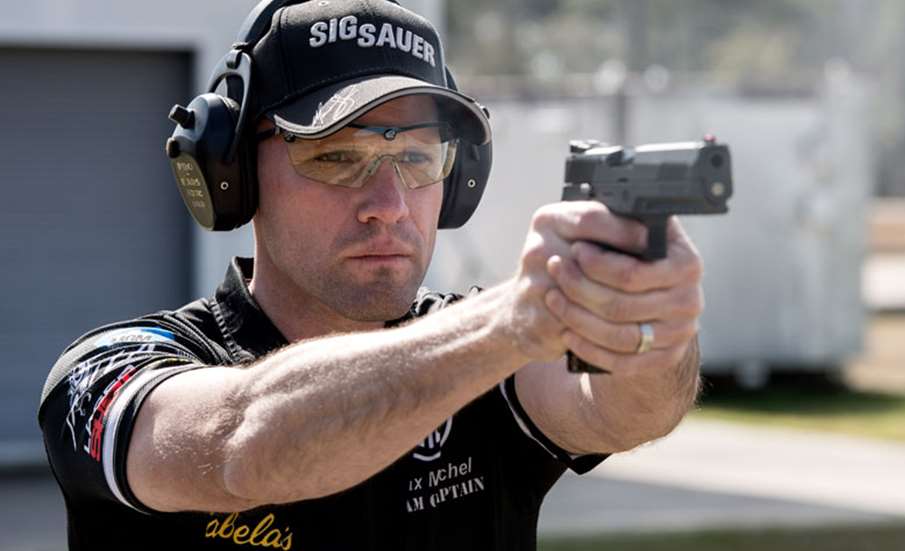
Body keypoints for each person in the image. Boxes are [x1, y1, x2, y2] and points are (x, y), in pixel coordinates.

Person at [38, 1, 703, 549]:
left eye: (417, 157)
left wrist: (644, 322)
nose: (387, 205)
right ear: (233, 173)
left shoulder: (484, 355)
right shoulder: (104, 371)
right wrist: (512, 322)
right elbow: (241, 444)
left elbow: (621, 412)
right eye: (335, 157)